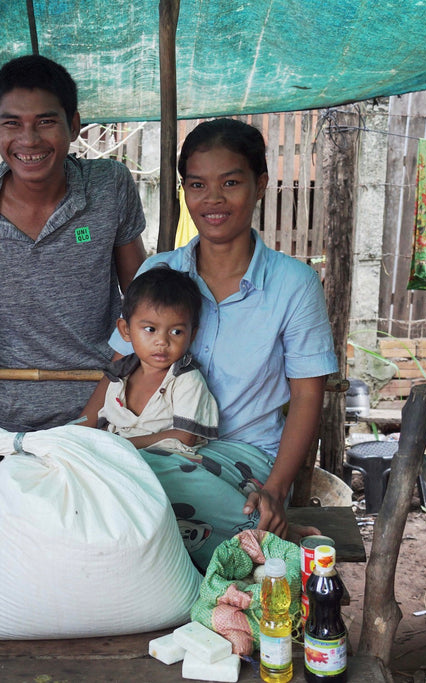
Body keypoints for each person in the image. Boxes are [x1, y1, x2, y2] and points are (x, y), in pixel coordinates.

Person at [82, 119, 338, 569]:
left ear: (260, 185)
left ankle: (249, 534)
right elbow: (119, 369)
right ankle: (259, 545)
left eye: (231, 183)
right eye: (197, 184)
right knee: (90, 473)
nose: (213, 199)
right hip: (155, 443)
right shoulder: (159, 272)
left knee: (143, 481)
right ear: (184, 190)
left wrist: (277, 490)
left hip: (244, 455)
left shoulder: (292, 284)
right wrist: (80, 436)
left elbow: (306, 396)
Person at [0, 54, 147, 432]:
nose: (28, 140)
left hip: (105, 404)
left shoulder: (109, 185)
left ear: (74, 125)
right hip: (5, 409)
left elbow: (139, 292)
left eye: (46, 122)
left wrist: (130, 375)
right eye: (12, 124)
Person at [96, 265, 219, 456]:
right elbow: (106, 425)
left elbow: (185, 436)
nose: (162, 342)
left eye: (176, 332)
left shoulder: (185, 380)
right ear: (125, 330)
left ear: (192, 335)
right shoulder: (120, 375)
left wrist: (123, 444)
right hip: (118, 456)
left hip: (168, 461)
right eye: (150, 329)